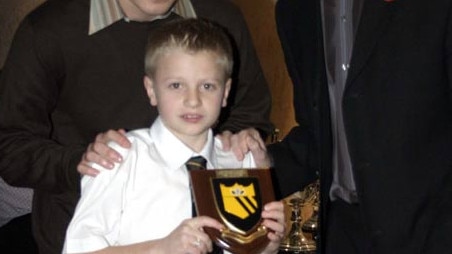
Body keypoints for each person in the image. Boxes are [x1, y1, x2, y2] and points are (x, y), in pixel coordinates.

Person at [0, 0, 273, 253]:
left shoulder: (220, 19)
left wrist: (236, 144)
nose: (192, 99)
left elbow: (250, 113)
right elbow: (10, 144)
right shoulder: (51, 29)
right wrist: (84, 164)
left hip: (217, 227)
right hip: (86, 231)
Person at [63, 18, 284, 254]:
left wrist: (266, 246)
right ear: (151, 90)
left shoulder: (239, 160)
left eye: (207, 86)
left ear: (226, 92)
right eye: (177, 85)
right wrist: (161, 248)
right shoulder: (120, 157)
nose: (193, 100)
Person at [268, 0, 452, 253]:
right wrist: (246, 164)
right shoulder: (295, 10)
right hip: (343, 233)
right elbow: (317, 136)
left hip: (431, 234)